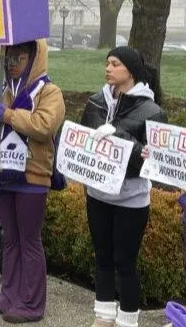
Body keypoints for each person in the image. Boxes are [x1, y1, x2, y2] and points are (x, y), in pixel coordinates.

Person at [0, 39, 65, 324]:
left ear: (35, 58)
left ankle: (31, 302)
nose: (12, 63)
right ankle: (9, 293)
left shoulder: (49, 93)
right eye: (8, 57)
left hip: (32, 178)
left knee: (29, 241)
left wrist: (11, 115)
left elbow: (44, 125)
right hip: (3, 177)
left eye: (19, 58)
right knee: (9, 238)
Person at [79, 46, 167, 327]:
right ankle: (103, 316)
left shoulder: (152, 111)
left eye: (114, 64)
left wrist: (118, 137)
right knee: (102, 257)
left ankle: (128, 319)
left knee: (124, 263)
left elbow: (151, 163)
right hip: (97, 194)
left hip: (130, 200)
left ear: (130, 70)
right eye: (107, 63)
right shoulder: (95, 102)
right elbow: (81, 143)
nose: (108, 68)